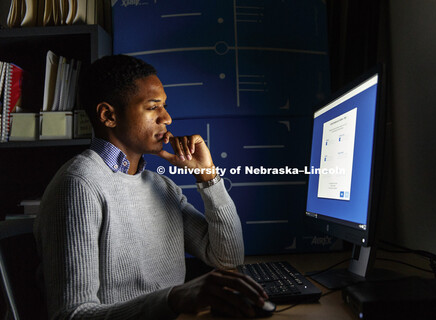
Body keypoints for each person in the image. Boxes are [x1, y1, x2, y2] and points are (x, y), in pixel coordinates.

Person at [34, 55, 268, 319]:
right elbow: (71, 315)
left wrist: (208, 177)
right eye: (152, 107)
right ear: (108, 115)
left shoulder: (161, 186)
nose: (167, 118)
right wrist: (174, 299)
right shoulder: (78, 185)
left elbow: (229, 258)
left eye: (165, 106)